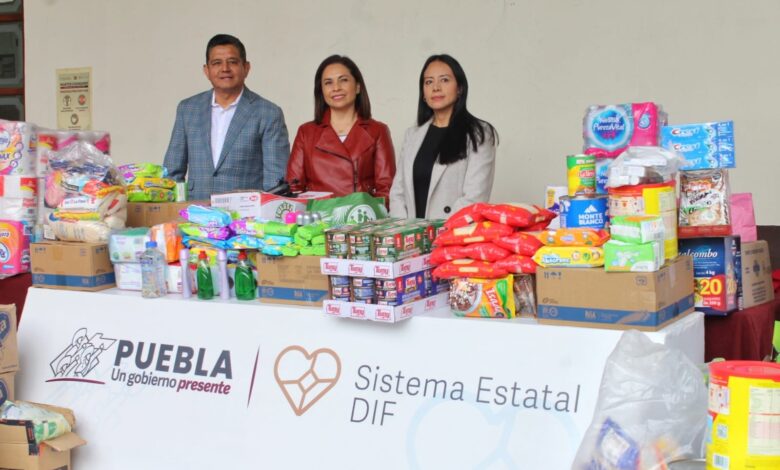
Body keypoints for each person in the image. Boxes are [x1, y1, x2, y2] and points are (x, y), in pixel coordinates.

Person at [163, 34, 290, 200]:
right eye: (217, 63)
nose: (225, 68)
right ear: (206, 70)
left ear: (246, 68)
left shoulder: (268, 113)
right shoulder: (188, 109)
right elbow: (172, 173)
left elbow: (276, 181)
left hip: (245, 212)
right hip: (195, 210)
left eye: (232, 62)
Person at [389, 54, 498, 219]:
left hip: (452, 232)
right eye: (428, 82)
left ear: (459, 88)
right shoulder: (412, 135)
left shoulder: (479, 134)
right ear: (423, 93)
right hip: (411, 233)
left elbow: (474, 198)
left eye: (444, 80)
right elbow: (398, 193)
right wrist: (403, 230)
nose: (436, 87)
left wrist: (440, 231)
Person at [286, 55, 395, 202]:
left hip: (361, 215)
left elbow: (387, 190)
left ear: (358, 86)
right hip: (319, 215)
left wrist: (367, 211)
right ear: (321, 91)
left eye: (343, 80)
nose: (336, 88)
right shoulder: (306, 132)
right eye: (328, 83)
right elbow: (293, 188)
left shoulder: (378, 131)